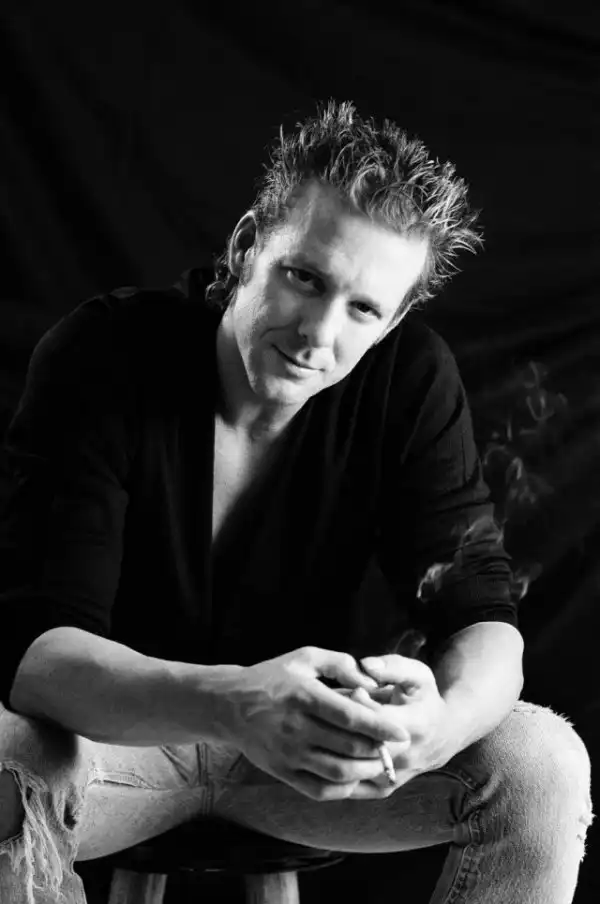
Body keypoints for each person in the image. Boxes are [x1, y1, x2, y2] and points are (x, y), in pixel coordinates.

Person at [0, 99, 593, 904]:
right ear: (248, 246)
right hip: (108, 748)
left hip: (308, 766)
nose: (319, 333)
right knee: (3, 762)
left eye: (363, 309)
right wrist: (237, 704)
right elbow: (36, 659)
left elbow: (482, 614)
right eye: (304, 278)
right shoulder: (104, 352)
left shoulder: (409, 378)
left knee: (541, 765)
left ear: (393, 321)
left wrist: (434, 729)